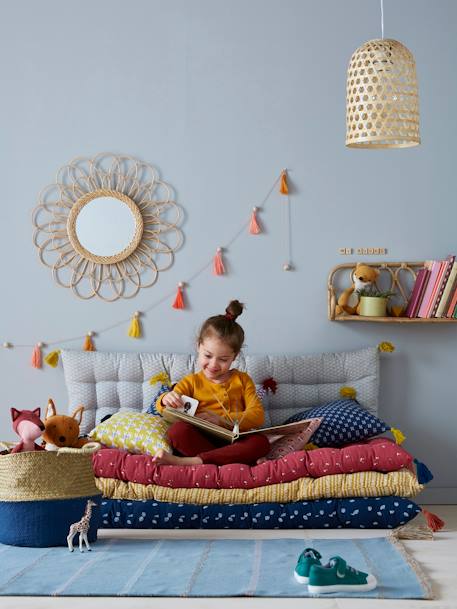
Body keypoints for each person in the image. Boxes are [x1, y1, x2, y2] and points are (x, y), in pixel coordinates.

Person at [153, 300, 270, 466]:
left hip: (235, 441)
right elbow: (164, 408)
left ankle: (194, 462)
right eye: (207, 356)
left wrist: (221, 420)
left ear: (234, 357)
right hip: (201, 441)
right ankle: (235, 461)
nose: (214, 365)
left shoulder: (242, 380)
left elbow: (257, 416)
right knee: (177, 432)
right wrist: (165, 398)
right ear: (198, 347)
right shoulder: (191, 382)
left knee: (261, 442)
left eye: (223, 359)